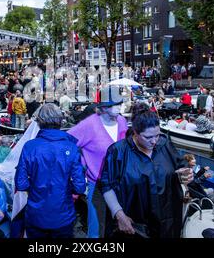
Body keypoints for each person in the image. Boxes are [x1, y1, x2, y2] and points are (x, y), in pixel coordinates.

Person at [100, 106, 192, 238]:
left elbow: (180, 166)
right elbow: (106, 185)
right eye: (148, 137)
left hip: (167, 221)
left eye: (157, 135)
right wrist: (119, 215)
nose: (154, 141)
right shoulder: (118, 152)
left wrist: (185, 174)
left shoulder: (164, 143)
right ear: (135, 133)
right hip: (134, 225)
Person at [15, 103, 86, 238]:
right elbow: (80, 187)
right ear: (60, 121)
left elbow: (21, 184)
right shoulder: (71, 147)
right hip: (63, 214)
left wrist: (36, 187)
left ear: (39, 122)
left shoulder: (30, 147)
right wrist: (64, 187)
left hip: (36, 214)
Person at [68, 86, 128, 238]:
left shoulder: (122, 121)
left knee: (118, 227)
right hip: (97, 185)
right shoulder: (89, 125)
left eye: (120, 103)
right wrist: (82, 163)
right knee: (96, 229)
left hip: (119, 182)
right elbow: (68, 143)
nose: (120, 107)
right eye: (116, 104)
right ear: (104, 107)